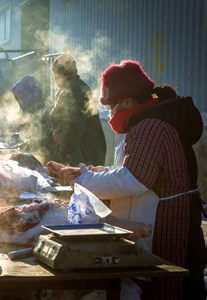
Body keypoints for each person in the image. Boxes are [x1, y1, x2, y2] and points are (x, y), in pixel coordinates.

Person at [47, 60, 205, 299]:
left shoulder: (151, 127)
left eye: (111, 106)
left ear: (128, 101)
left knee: (168, 287)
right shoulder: (141, 125)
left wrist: (86, 179)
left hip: (168, 222)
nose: (110, 113)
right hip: (150, 220)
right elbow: (126, 169)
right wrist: (88, 172)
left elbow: (132, 179)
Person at [47, 53, 106, 166]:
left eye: (56, 75)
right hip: (80, 150)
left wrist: (66, 152)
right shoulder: (69, 88)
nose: (54, 79)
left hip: (84, 152)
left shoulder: (75, 90)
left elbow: (75, 125)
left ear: (64, 74)